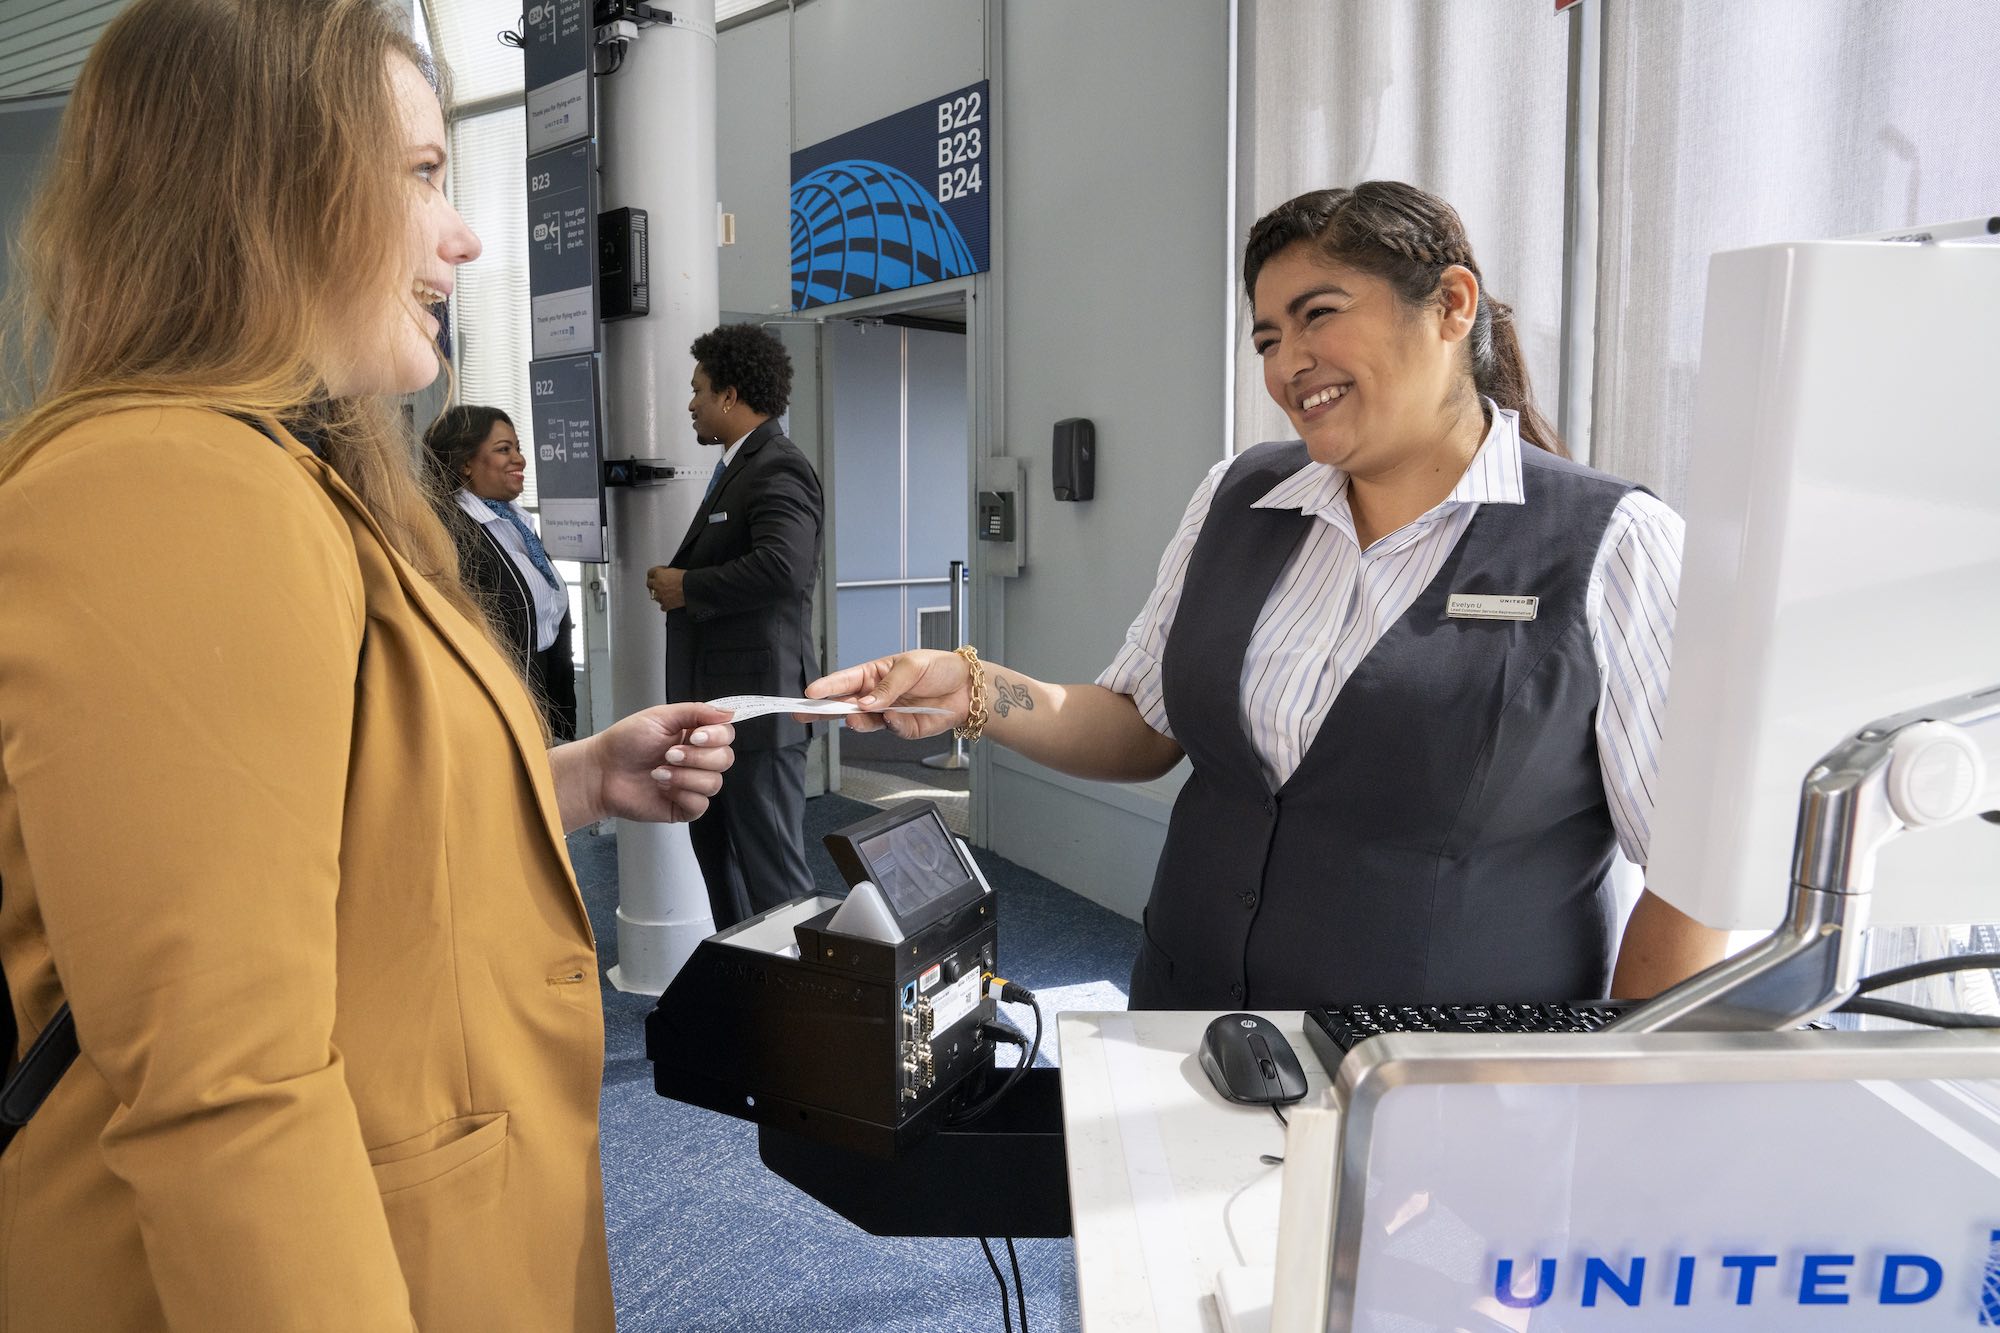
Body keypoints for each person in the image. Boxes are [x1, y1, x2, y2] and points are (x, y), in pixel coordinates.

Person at [0, 2, 734, 1328]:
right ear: (259, 188)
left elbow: (309, 831)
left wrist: (565, 780)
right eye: (418, 175)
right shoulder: (170, 486)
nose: (461, 234)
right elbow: (229, 1088)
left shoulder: (276, 474)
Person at [809, 181, 1727, 1012]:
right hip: (1193, 1016)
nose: (1290, 362)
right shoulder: (1240, 496)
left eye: (1317, 315)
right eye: (1266, 337)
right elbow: (1139, 725)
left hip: (1440, 1082)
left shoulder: (1615, 546)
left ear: (1451, 305)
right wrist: (970, 688)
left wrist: (1609, 1089)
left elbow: (1692, 878)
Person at [646, 324, 823, 929]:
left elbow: (784, 566)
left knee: (777, 885)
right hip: (721, 714)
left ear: (730, 394)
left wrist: (687, 586)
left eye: (698, 390)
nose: (690, 403)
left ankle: (805, 1015)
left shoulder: (778, 466)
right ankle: (751, 1000)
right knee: (722, 871)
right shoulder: (736, 466)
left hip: (759, 716)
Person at [424, 405, 579, 740]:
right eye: (503, 449)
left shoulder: (514, 522)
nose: (520, 459)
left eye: (518, 449)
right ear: (465, 462)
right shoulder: (448, 530)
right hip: (493, 714)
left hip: (544, 700)